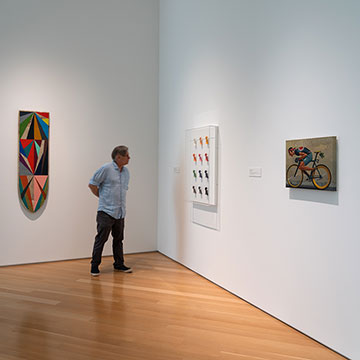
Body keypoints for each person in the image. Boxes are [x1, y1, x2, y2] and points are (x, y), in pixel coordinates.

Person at [88, 145, 132, 276]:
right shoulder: (106, 169)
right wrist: (103, 198)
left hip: (120, 212)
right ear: (118, 157)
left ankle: (119, 264)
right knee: (101, 239)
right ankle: (94, 266)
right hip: (106, 212)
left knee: (118, 240)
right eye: (127, 156)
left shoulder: (126, 172)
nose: (129, 158)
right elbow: (92, 184)